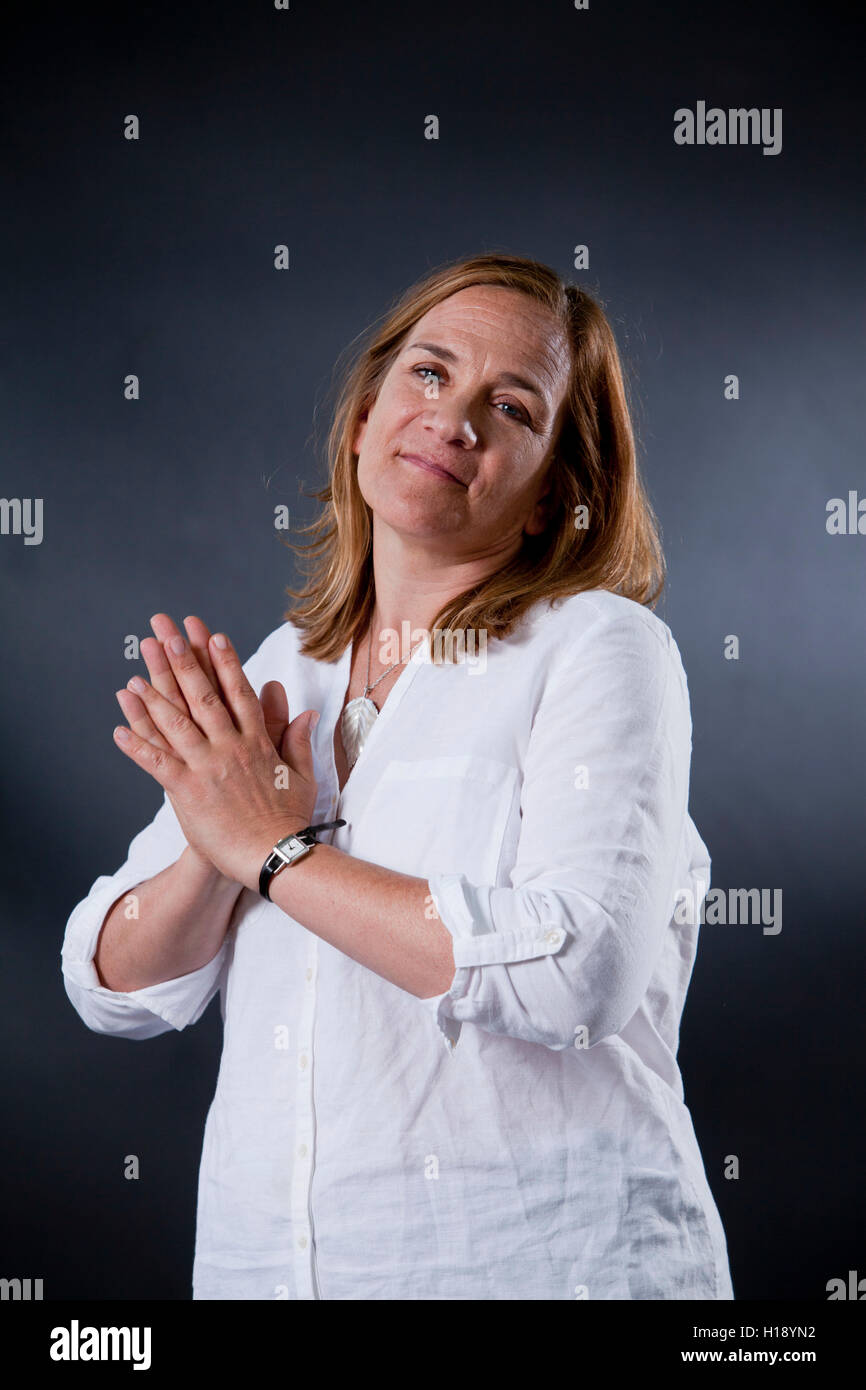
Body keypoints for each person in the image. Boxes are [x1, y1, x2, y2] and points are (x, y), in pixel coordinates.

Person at [61, 252, 735, 1300]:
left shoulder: (599, 648)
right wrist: (214, 838)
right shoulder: (286, 669)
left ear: (552, 490)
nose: (453, 418)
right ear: (364, 418)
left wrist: (275, 853)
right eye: (428, 374)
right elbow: (114, 986)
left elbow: (576, 974)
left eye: (507, 406)